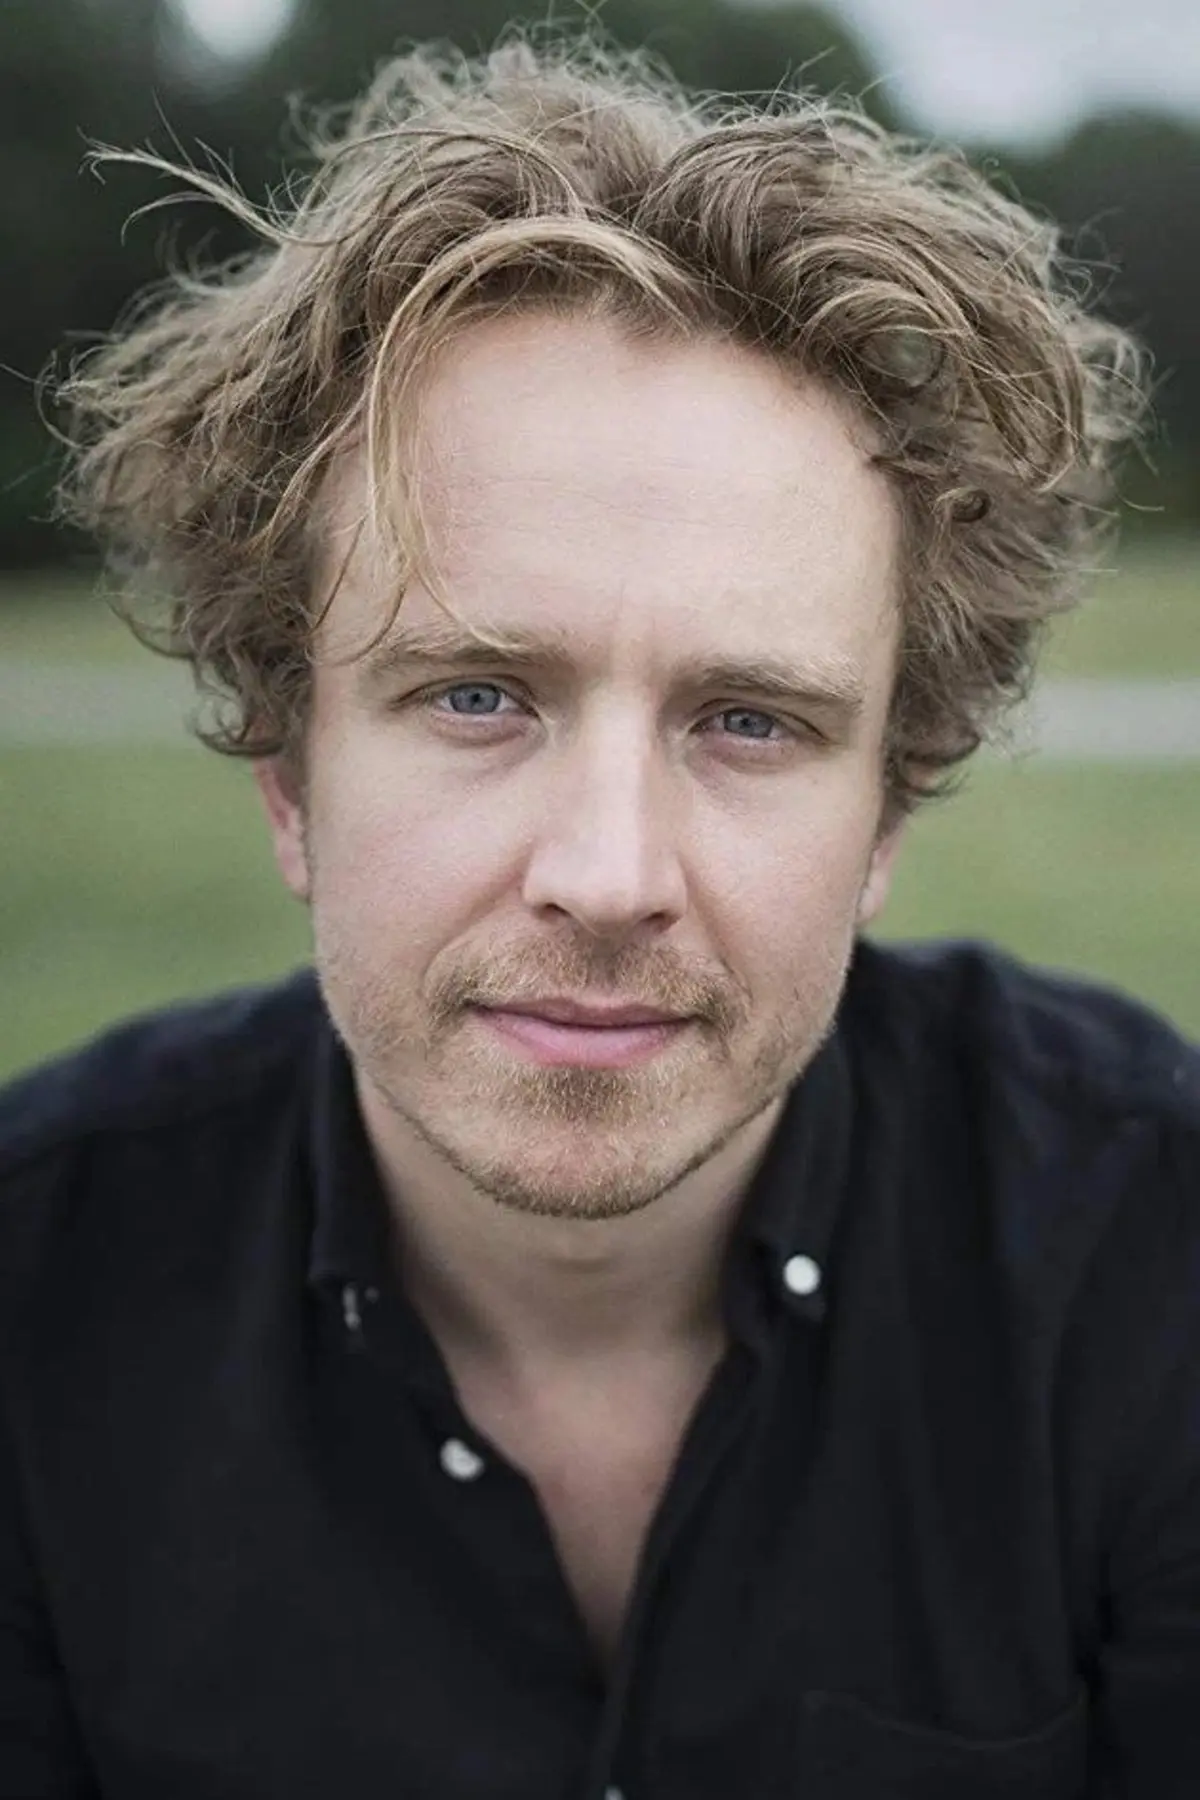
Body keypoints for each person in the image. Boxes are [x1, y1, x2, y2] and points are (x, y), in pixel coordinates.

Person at [2, 32, 1195, 1799]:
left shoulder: (1156, 1261)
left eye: (751, 720)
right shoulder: (36, 1296)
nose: (611, 873)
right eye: (479, 696)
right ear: (288, 774)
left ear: (887, 810)